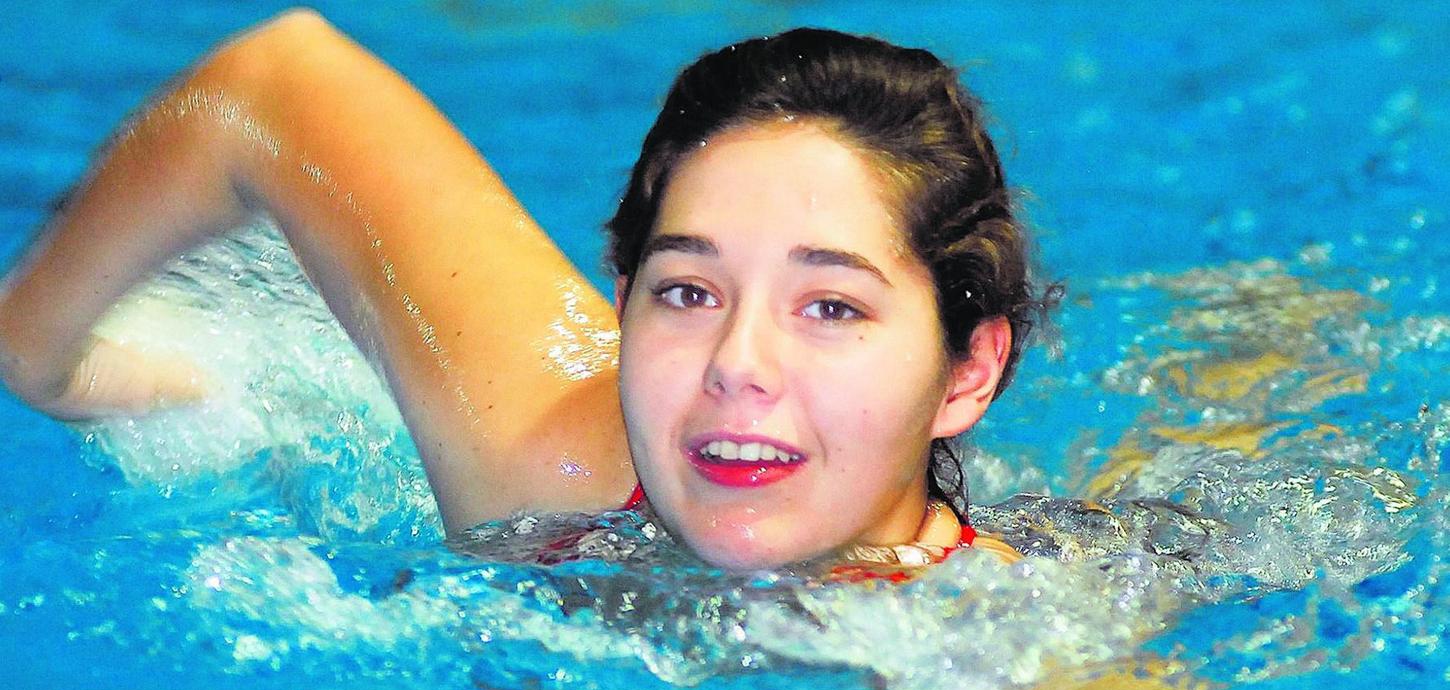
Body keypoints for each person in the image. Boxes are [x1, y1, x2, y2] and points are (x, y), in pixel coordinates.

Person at [0, 10, 1049, 574]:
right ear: (625, 301)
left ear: (967, 373)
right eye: (687, 291)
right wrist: (38, 354)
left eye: (831, 308)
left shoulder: (1008, 679)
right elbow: (273, 84)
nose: (737, 365)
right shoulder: (550, 465)